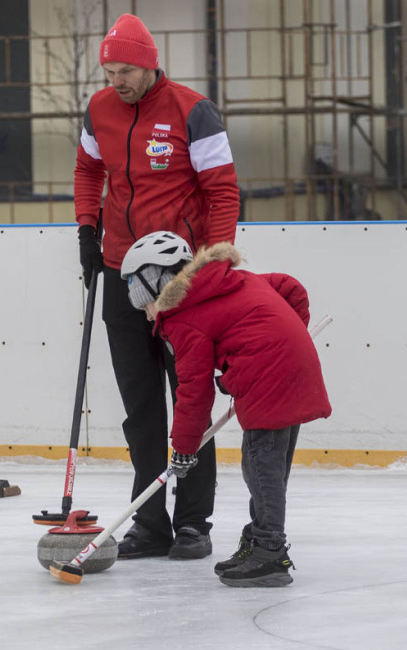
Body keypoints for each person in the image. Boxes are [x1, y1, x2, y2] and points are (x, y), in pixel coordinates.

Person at [74, 13, 241, 559]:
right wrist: (85, 228)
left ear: (148, 65)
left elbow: (222, 192)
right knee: (140, 406)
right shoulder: (99, 109)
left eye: (124, 70)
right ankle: (149, 522)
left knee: (188, 397)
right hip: (122, 272)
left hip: (183, 280)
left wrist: (214, 263)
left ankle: (194, 522)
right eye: (109, 70)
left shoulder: (195, 111)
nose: (115, 80)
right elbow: (87, 169)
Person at [119, 231, 331, 586]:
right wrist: (287, 336)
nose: (145, 314)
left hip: (269, 378)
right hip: (291, 370)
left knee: (262, 468)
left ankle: (269, 552)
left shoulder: (185, 317)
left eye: (144, 302)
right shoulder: (229, 280)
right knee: (266, 467)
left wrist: (184, 449)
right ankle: (259, 538)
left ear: (156, 283)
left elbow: (194, 392)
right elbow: (290, 288)